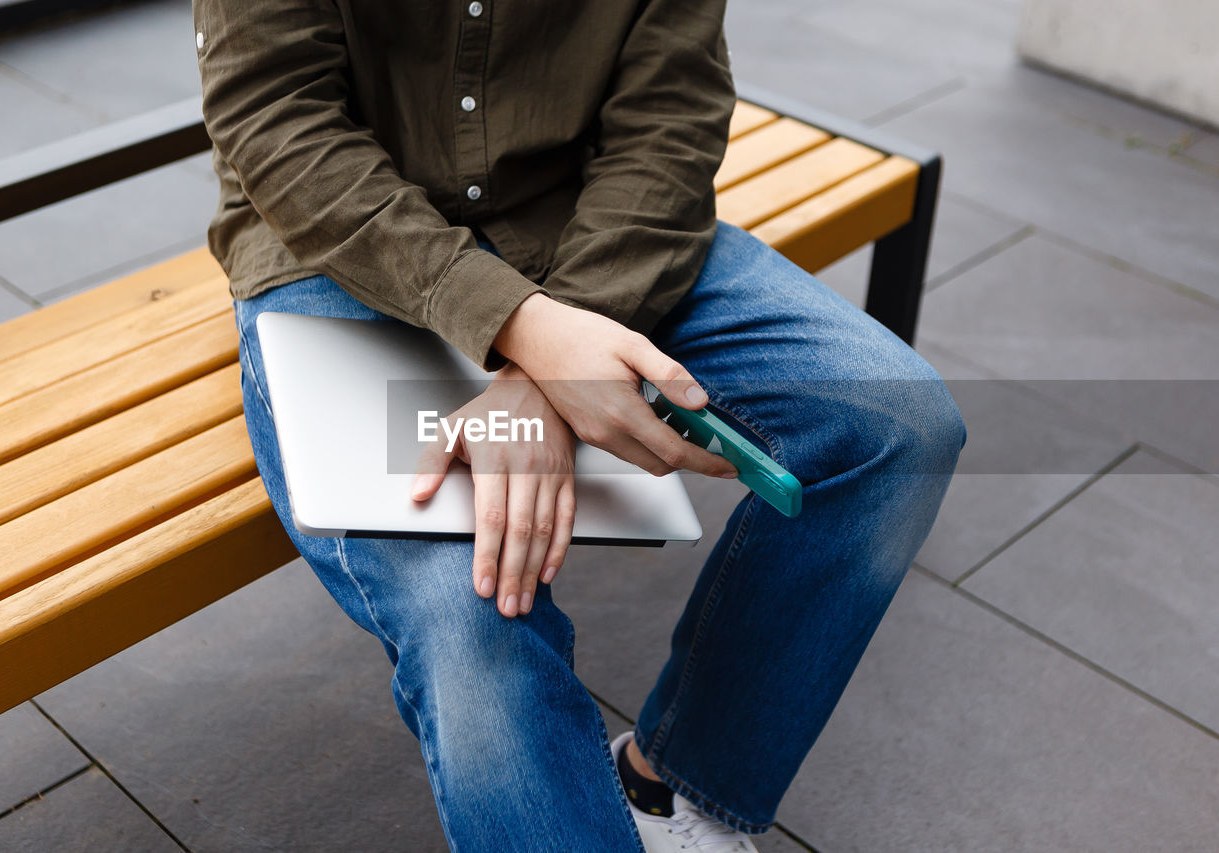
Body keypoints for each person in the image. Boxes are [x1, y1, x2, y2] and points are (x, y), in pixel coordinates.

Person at [194, 0, 965, 850]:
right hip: (339, 255)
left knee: (898, 425)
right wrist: (524, 328)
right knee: (475, 607)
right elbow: (274, 116)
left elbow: (671, 115)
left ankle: (674, 788)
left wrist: (555, 349)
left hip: (586, 227)